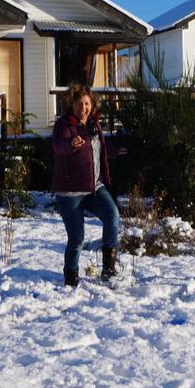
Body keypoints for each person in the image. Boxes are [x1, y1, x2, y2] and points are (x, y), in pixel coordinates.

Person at [51, 83, 121, 287]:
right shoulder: (64, 125)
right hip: (70, 192)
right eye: (79, 103)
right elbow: (58, 145)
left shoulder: (93, 124)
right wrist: (70, 144)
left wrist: (116, 150)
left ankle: (109, 269)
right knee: (77, 238)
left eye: (87, 103)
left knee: (112, 215)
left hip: (94, 187)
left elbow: (100, 146)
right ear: (71, 105)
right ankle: (71, 277)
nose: (84, 108)